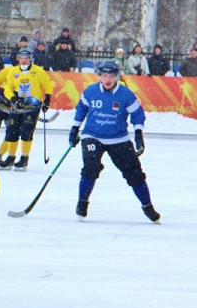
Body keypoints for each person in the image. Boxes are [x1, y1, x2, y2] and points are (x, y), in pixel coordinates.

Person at [69, 60, 160, 222]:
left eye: (111, 75)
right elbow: (81, 109)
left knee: (134, 173)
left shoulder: (125, 94)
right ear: (99, 77)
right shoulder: (91, 91)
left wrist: (138, 133)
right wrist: (75, 128)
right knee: (91, 167)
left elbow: (137, 114)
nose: (108, 79)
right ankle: (82, 202)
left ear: (116, 76)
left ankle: (147, 206)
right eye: (104, 76)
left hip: (118, 138)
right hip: (92, 135)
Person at [0, 47, 54, 171]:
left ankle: (24, 158)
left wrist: (48, 98)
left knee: (26, 132)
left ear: (30, 59)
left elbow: (48, 84)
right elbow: (8, 88)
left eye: (26, 58)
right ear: (18, 59)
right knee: (12, 131)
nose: (24, 61)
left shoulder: (38, 71)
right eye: (21, 58)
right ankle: (11, 157)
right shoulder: (13, 72)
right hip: (16, 106)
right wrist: (13, 99)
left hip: (32, 106)